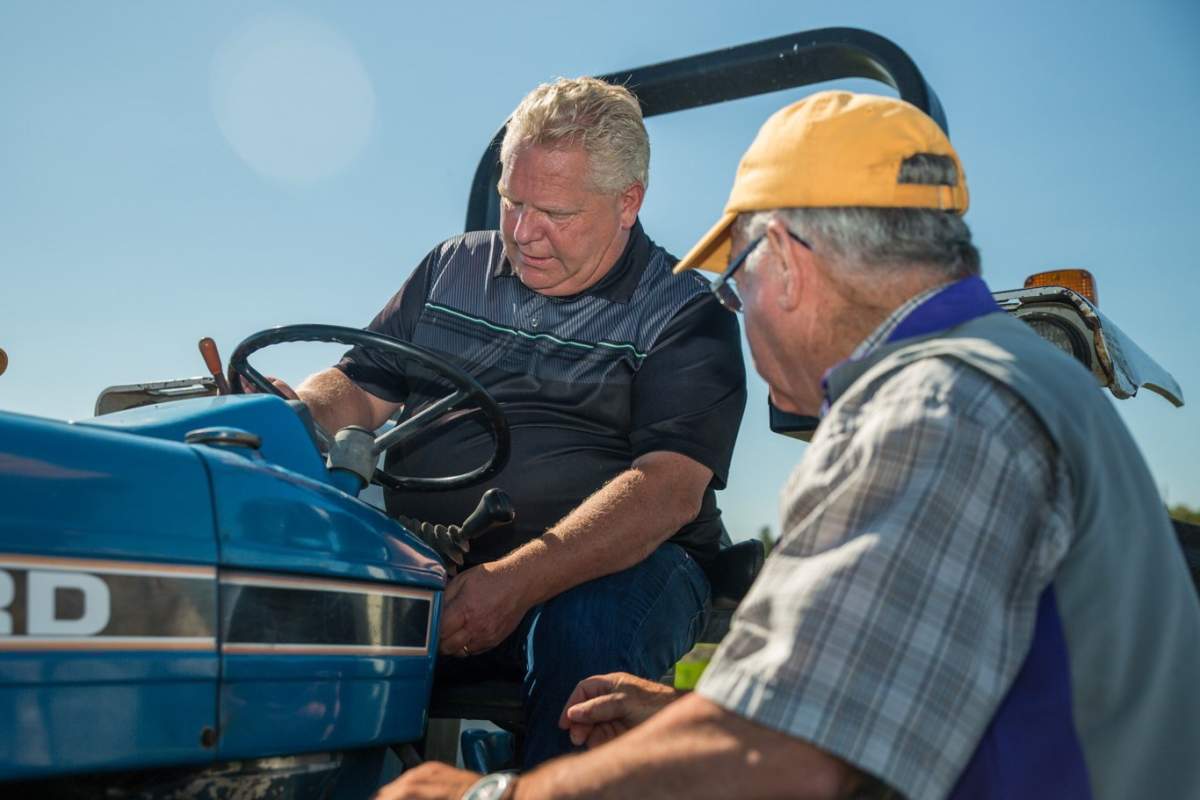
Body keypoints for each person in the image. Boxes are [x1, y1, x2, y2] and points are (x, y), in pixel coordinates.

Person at [377, 91, 1200, 799]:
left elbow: (797, 761)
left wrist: (494, 792)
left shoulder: (940, 407)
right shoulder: (997, 379)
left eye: (737, 287)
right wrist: (691, 719)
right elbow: (890, 702)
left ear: (789, 266)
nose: (739, 314)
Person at [265, 76, 747, 768]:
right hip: (434, 551)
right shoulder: (451, 269)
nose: (523, 233)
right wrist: (296, 413)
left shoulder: (682, 312)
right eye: (512, 201)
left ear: (627, 204)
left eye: (553, 211)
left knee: (585, 629)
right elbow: (359, 386)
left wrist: (517, 580)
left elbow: (668, 489)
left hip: (626, 567)